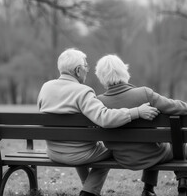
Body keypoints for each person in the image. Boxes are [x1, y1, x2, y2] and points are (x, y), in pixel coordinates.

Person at [37, 48, 159, 196]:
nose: (87, 70)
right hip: (80, 153)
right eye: (85, 66)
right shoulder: (83, 91)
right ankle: (89, 191)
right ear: (77, 70)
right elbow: (105, 118)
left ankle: (86, 186)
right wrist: (136, 112)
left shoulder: (45, 88)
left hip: (54, 151)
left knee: (80, 142)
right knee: (111, 149)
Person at [95, 54, 187, 196]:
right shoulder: (144, 93)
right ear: (124, 71)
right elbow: (178, 108)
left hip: (121, 156)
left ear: (101, 77)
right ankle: (183, 182)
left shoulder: (98, 102)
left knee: (153, 145)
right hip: (152, 153)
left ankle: (148, 190)